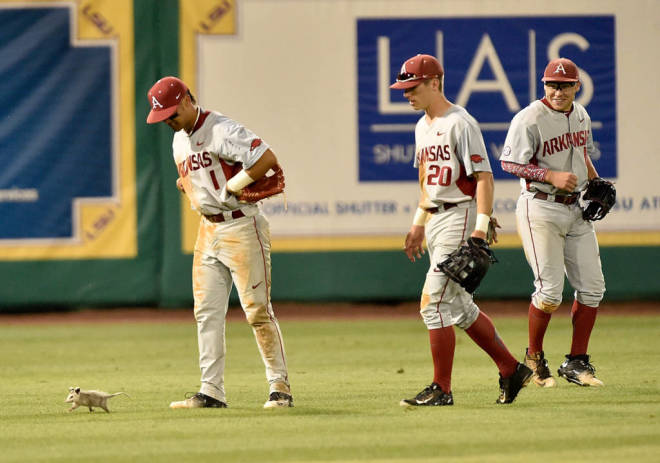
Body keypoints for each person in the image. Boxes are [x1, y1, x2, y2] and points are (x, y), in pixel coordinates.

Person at [393, 54, 533, 406]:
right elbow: (428, 183)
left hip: (460, 215)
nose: (407, 94)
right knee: (459, 306)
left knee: (433, 303)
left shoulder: (461, 122)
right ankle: (510, 368)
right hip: (437, 217)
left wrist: (480, 229)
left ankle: (442, 388)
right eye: (404, 88)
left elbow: (484, 178)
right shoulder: (421, 126)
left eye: (413, 87)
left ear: (434, 82)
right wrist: (417, 224)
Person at [146, 76, 293, 408]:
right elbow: (195, 178)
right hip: (208, 230)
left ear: (186, 100)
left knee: (257, 311)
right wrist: (192, 188)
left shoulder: (220, 129)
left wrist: (234, 185)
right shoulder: (179, 141)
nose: (168, 121)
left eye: (171, 113)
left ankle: (279, 386)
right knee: (206, 313)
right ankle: (211, 391)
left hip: (241, 226)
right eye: (163, 117)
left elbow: (267, 159)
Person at [501, 57, 605, 387]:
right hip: (540, 208)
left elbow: (582, 153)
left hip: (575, 209)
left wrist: (596, 181)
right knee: (549, 293)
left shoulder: (581, 114)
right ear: (543, 85)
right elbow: (508, 162)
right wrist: (548, 174)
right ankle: (534, 358)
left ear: (577, 86)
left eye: (564, 85)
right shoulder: (529, 118)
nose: (557, 91)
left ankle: (576, 362)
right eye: (551, 84)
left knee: (592, 288)